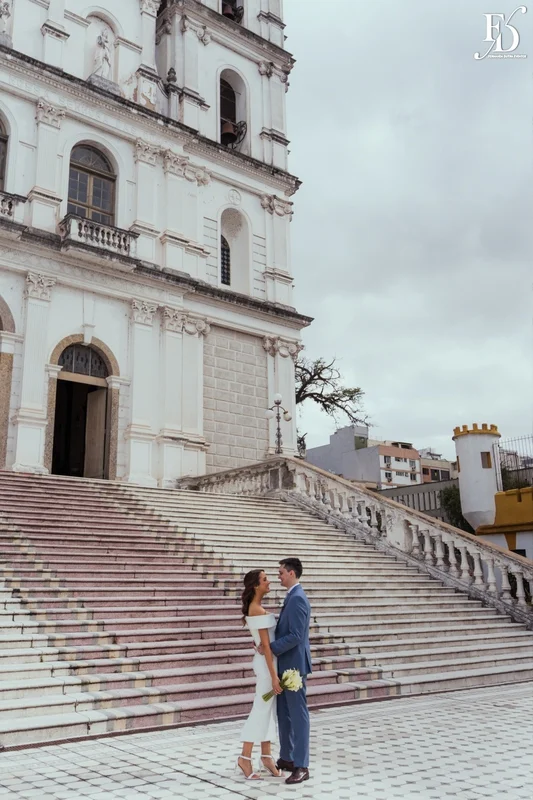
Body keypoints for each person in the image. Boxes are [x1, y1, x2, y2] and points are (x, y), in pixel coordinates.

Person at [258, 557, 312, 785]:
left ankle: (302, 765)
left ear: (291, 573)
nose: (278, 576)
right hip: (285, 664)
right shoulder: (291, 596)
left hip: (295, 666)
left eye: (280, 573)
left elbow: (297, 635)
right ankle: (288, 758)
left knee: (298, 716)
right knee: (284, 714)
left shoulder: (298, 599)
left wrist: (270, 648)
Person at [237, 569, 284, 780]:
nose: (269, 582)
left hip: (267, 663)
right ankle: (245, 757)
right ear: (256, 585)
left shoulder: (256, 608)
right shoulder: (256, 609)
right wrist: (274, 677)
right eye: (265, 579)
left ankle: (266, 755)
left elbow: (262, 643)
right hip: (267, 668)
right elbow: (265, 645)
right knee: (260, 709)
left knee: (267, 711)